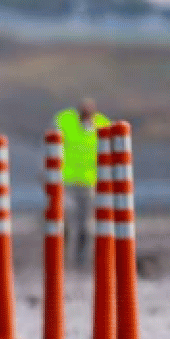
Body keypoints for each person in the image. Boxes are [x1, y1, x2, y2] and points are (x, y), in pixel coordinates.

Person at [54, 99, 110, 266]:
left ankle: (80, 259)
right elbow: (50, 145)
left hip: (90, 183)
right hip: (66, 182)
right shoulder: (65, 121)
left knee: (86, 225)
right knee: (63, 221)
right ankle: (59, 256)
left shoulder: (102, 124)